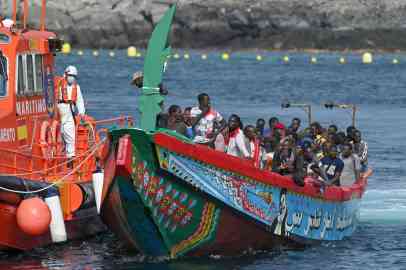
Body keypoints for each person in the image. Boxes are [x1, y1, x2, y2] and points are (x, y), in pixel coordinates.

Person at [57, 65, 85, 167]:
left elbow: (79, 101)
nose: (71, 77)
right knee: (60, 134)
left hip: (70, 113)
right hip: (59, 111)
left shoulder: (76, 88)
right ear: (66, 74)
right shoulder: (59, 84)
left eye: (74, 76)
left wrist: (81, 113)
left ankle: (70, 161)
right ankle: (58, 157)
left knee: (70, 137)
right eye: (70, 75)